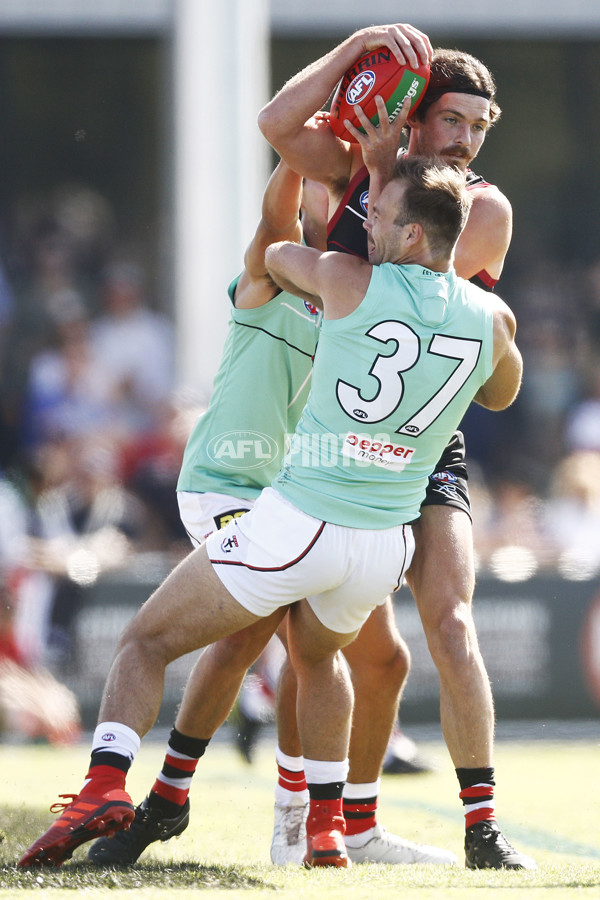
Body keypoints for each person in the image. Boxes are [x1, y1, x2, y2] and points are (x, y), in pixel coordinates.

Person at [19, 155, 523, 870]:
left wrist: (311, 165)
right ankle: (323, 829)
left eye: (376, 215)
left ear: (412, 234)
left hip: (302, 519)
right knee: (317, 659)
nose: (364, 222)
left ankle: (104, 783)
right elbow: (501, 393)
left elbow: (277, 251)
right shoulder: (494, 316)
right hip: (382, 547)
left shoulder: (349, 280)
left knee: (146, 642)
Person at [258, 23, 535, 870]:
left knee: (450, 622)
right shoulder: (354, 170)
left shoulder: (479, 204)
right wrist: (356, 53)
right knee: (342, 654)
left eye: (481, 128)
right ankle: (304, 817)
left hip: (420, 439)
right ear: (413, 116)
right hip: (328, 436)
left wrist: (376, 175)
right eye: (453, 121)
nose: (468, 140)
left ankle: (482, 827)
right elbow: (275, 126)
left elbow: (414, 291)